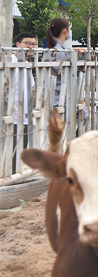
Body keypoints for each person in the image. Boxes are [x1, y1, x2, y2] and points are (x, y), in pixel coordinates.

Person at [12, 32, 36, 173]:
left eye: (33, 44)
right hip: (10, 115)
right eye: (28, 43)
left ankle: (14, 176)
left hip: (25, 116)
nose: (31, 47)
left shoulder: (27, 64)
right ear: (18, 44)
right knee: (9, 148)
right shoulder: (7, 61)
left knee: (21, 150)